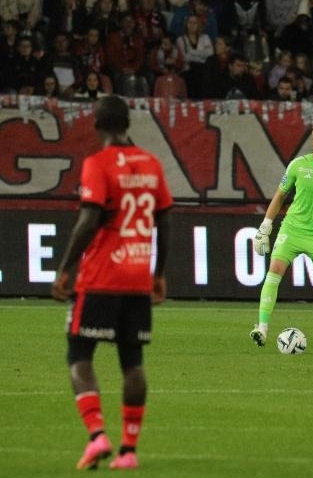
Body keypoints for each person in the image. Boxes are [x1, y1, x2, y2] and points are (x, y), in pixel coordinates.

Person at [51, 95, 173, 470]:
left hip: (102, 276)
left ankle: (97, 435)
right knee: (132, 362)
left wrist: (66, 267)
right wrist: (157, 273)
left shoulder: (98, 164)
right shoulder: (152, 165)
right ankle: (129, 450)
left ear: (96, 124)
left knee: (79, 355)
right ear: (128, 125)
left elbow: (89, 220)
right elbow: (164, 222)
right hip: (137, 275)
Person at [249, 121, 313, 355]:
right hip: (293, 229)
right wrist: (266, 226)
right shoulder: (298, 165)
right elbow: (280, 196)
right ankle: (262, 328)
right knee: (275, 268)